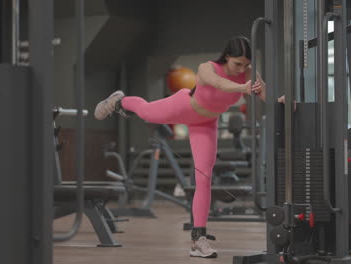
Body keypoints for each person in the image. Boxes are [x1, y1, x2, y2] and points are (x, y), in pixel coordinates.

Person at [94, 36, 287, 258]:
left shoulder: (249, 73)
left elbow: (264, 94)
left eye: (245, 64)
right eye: (237, 64)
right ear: (226, 57)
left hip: (206, 123)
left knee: (204, 177)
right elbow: (219, 84)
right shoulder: (207, 68)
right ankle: (119, 101)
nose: (241, 68)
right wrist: (242, 86)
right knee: (146, 112)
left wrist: (279, 100)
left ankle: (198, 240)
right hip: (184, 106)